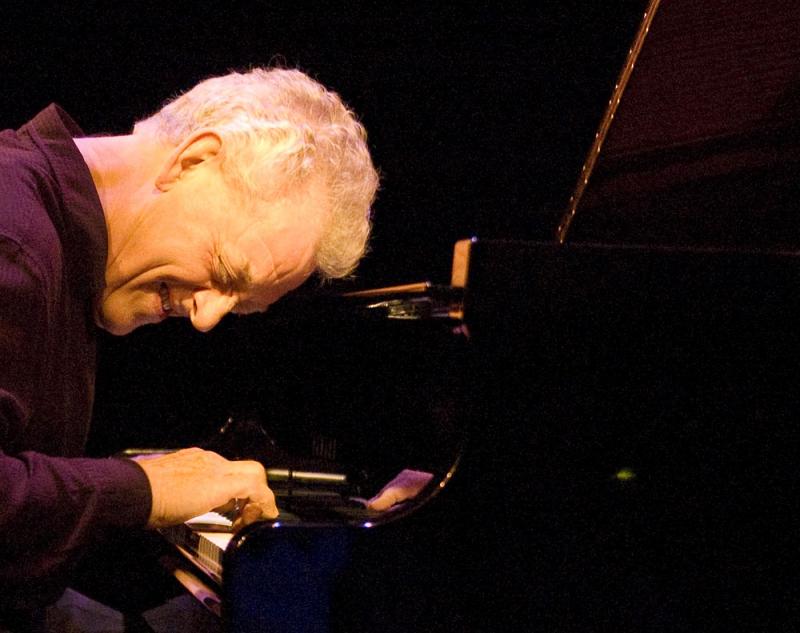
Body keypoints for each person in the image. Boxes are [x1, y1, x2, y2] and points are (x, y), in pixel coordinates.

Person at [0, 67, 379, 626]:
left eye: (241, 306)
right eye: (225, 271)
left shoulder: (49, 237)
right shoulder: (13, 237)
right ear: (194, 159)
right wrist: (146, 489)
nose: (206, 318)